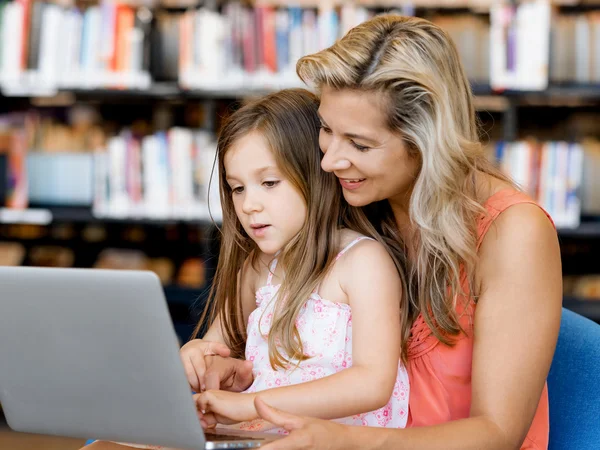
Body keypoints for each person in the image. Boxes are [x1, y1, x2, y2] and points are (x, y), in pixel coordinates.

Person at [190, 14, 562, 450]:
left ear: (427, 140)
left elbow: (497, 434)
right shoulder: (356, 202)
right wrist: (219, 363)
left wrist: (345, 439)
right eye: (327, 129)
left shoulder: (514, 233)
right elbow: (266, 334)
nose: (329, 162)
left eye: (360, 145)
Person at [181, 88, 410, 433]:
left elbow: (372, 384)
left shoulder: (362, 262)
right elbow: (218, 346)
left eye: (269, 183)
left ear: (315, 176)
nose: (248, 205)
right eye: (237, 188)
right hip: (262, 437)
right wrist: (199, 358)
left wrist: (247, 405)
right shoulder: (258, 268)